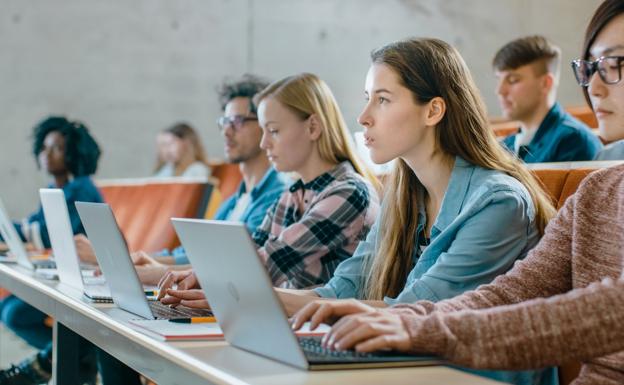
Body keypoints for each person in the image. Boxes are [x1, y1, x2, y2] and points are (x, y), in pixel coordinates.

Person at [159, 41, 557, 385]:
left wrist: (248, 298)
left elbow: (417, 314)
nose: (364, 116)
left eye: (382, 99)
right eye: (367, 98)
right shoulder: (405, 197)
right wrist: (232, 295)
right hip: (407, 366)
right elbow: (340, 292)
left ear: (433, 111)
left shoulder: (499, 203)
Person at [291, 2, 624, 384]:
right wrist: (399, 320)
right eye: (593, 67)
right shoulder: (597, 194)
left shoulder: (498, 199)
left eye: (617, 64)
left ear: (434, 110)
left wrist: (417, 327)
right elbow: (507, 296)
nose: (593, 86)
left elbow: (600, 311)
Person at [111, 75, 290, 286]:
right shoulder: (235, 199)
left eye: (238, 122)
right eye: (224, 122)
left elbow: (229, 265)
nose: (226, 131)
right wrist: (137, 261)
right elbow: (194, 253)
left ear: (265, 124)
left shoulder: (278, 196)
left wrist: (147, 271)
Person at [0, 116, 103, 385]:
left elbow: (44, 234)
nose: (46, 154)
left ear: (73, 153)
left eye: (56, 148)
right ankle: (75, 360)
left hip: (88, 275)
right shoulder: (55, 187)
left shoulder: (80, 188)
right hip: (67, 270)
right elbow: (34, 226)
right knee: (9, 309)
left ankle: (54, 362)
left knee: (15, 313)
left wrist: (17, 229)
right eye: (44, 147)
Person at [495, 35, 603, 162]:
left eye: (513, 80)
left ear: (545, 83)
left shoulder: (573, 142)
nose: (500, 91)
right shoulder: (507, 145)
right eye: (498, 79)